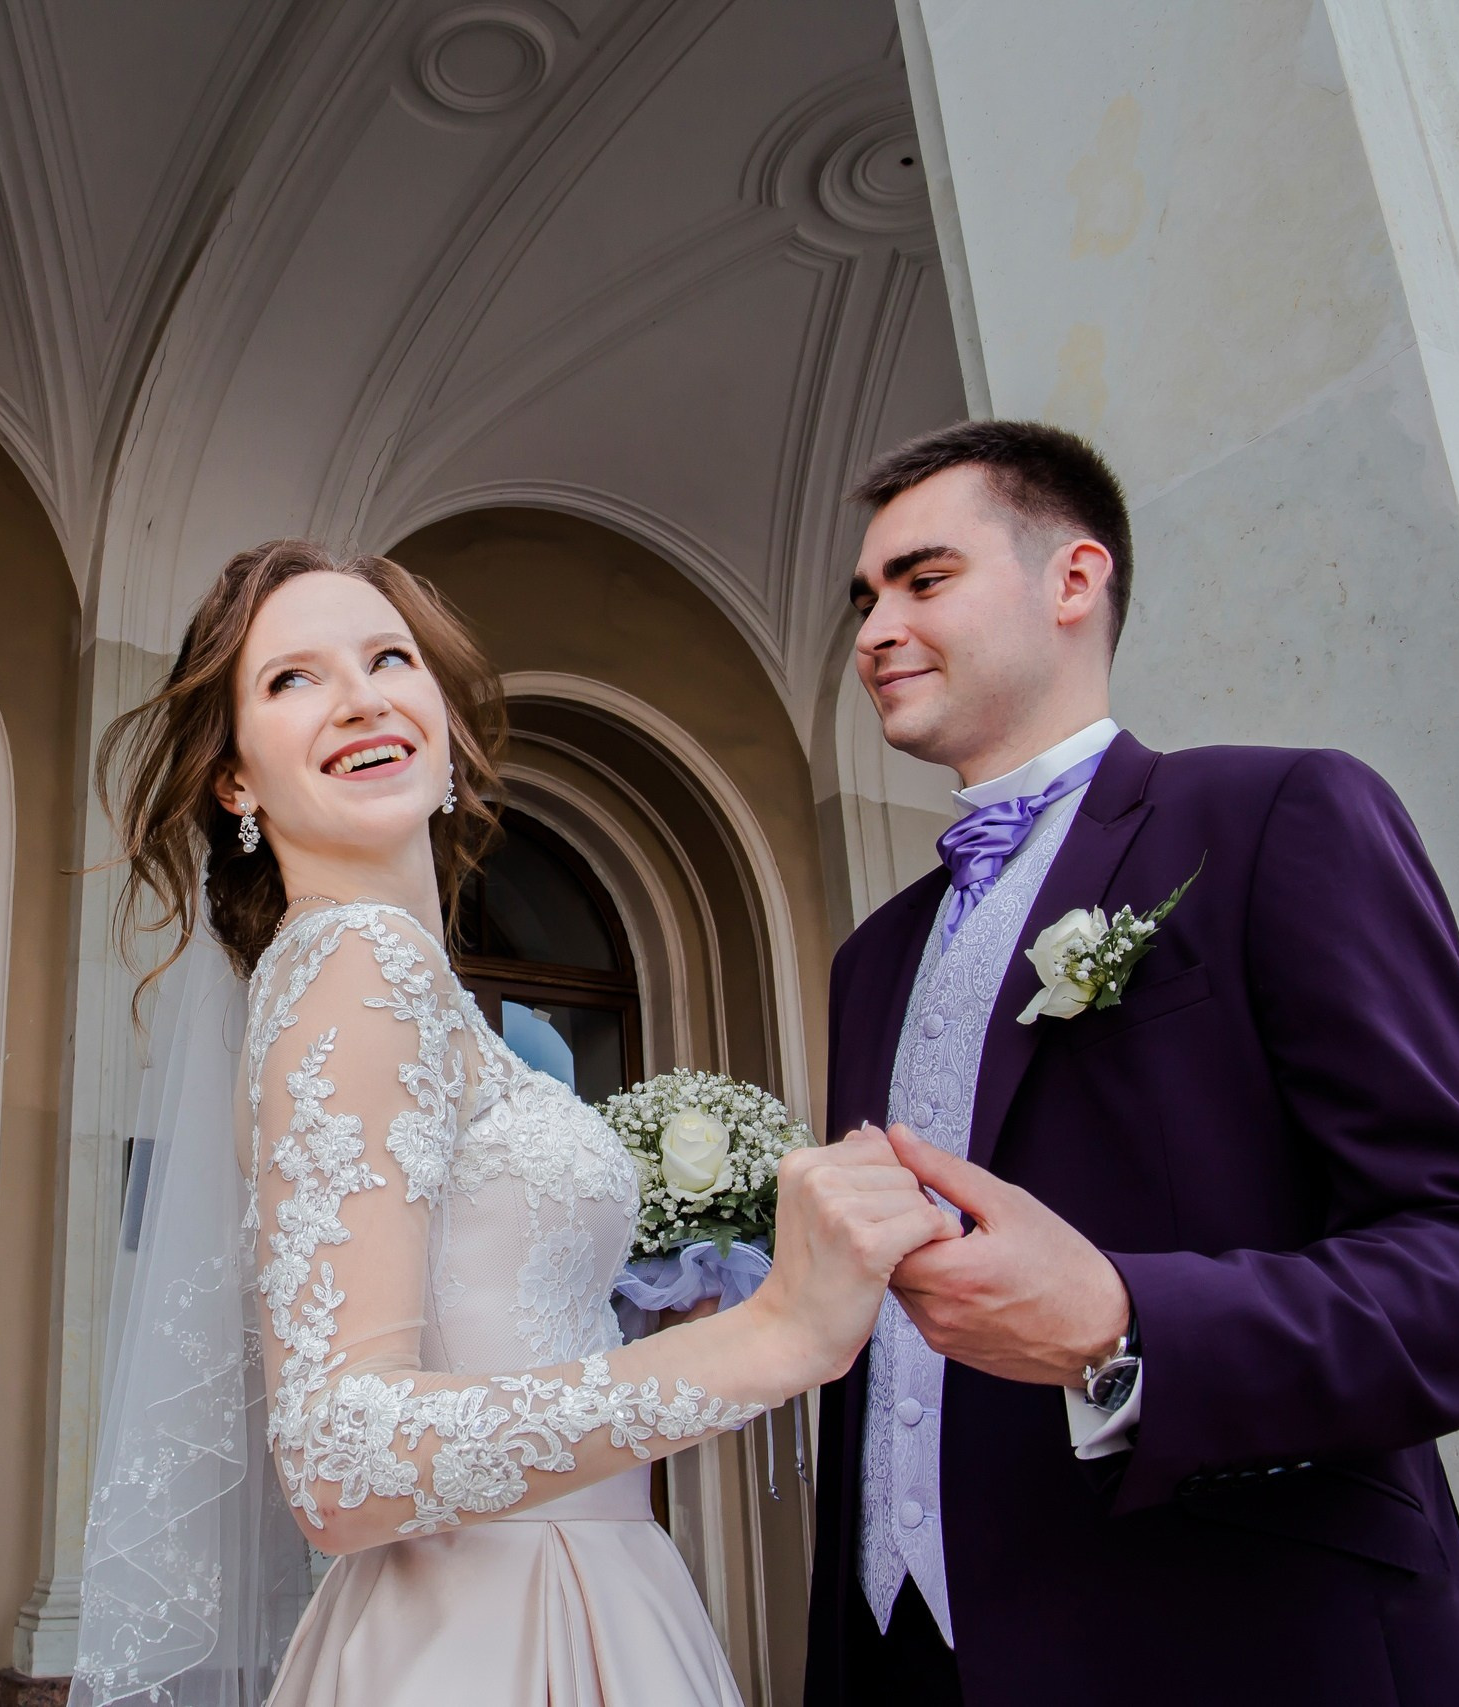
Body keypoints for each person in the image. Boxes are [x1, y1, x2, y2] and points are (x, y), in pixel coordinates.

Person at [69, 539, 956, 1707]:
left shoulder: (410, 988)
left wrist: (647, 1340)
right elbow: (342, 1459)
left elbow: (475, 1346)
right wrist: (777, 1336)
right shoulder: (354, 960)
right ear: (233, 780)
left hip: (569, 1587)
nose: (361, 697)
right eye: (292, 679)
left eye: (388, 657)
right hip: (495, 1631)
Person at [807, 420, 1459, 1706]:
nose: (875, 628)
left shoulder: (1275, 817)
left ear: (1073, 579)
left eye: (922, 580)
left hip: (1239, 1639)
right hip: (910, 1653)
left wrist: (1121, 1319)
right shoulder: (870, 958)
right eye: (862, 598)